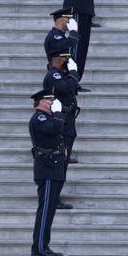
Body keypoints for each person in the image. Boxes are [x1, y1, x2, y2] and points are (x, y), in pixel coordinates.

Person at [29, 88, 67, 256]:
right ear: (43, 102)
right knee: (45, 210)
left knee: (49, 209)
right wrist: (58, 114)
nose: (53, 104)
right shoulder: (40, 118)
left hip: (53, 166)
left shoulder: (47, 117)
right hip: (48, 167)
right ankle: (40, 248)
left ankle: (42, 246)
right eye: (50, 101)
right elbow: (55, 129)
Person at [43, 44, 81, 198]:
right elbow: (67, 88)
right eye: (66, 60)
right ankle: (53, 196)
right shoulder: (54, 75)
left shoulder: (59, 74)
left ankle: (55, 195)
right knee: (58, 164)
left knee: (62, 163)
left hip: (67, 122)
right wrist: (73, 72)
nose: (68, 62)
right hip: (61, 124)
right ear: (58, 61)